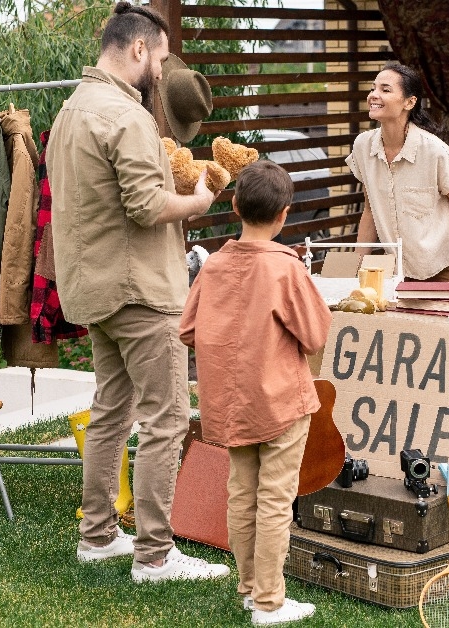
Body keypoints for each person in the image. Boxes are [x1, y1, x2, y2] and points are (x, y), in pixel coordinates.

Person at [47, 2, 229, 583]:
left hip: (94, 289)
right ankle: (154, 553)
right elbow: (147, 206)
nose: (161, 69)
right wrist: (199, 202)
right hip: (141, 292)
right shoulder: (125, 117)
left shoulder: (72, 109)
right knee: (167, 418)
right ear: (139, 50)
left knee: (111, 413)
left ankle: (97, 534)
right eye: (160, 55)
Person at [179, 161, 332, 626]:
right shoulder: (287, 270)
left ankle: (249, 588)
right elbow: (316, 335)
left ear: (235, 205)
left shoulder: (216, 264)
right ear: (284, 214)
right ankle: (268, 601)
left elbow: (187, 329)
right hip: (282, 402)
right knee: (274, 500)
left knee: (241, 493)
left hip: (228, 403)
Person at [346, 62, 449, 282]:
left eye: (385, 90)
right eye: (373, 88)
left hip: (442, 271)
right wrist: (354, 269)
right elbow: (369, 211)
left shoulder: (435, 151)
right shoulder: (362, 146)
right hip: (394, 274)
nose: (374, 95)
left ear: (409, 102)